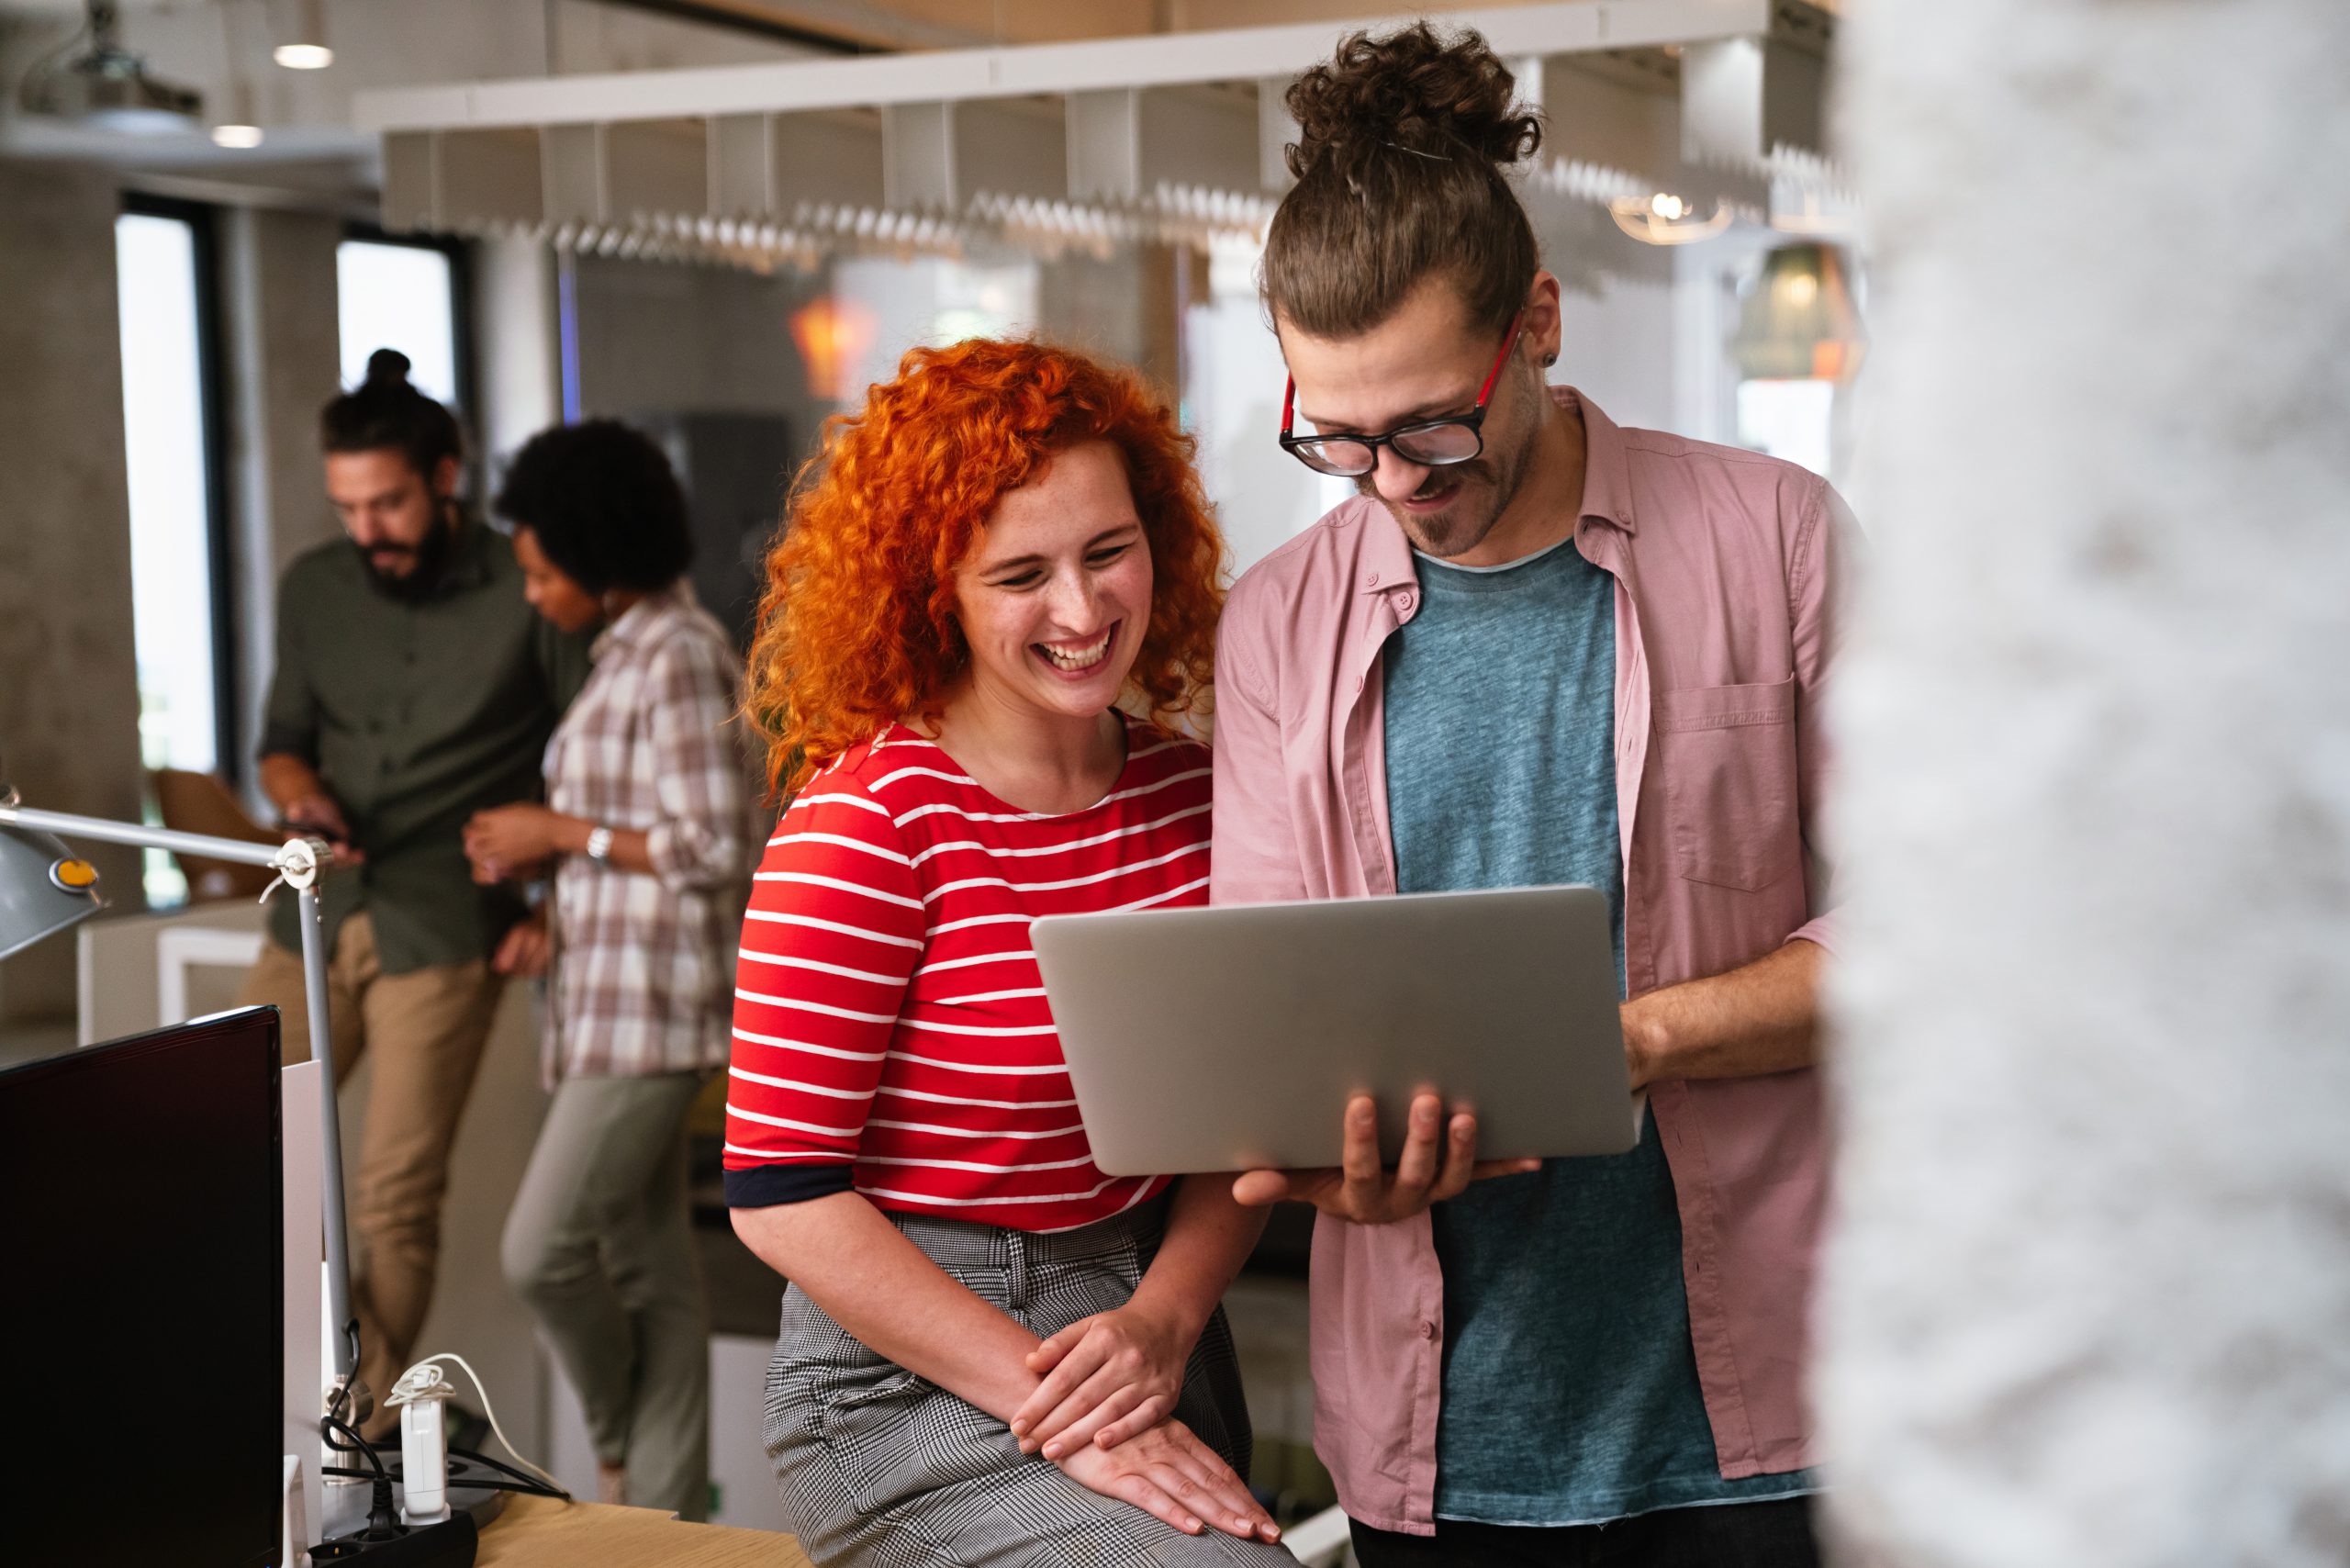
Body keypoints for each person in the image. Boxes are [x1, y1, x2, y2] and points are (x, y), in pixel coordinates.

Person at [1212, 25, 1856, 1568]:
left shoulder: (1775, 536)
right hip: (1441, 1451)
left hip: (1768, 1421)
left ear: (1542, 322)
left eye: (1433, 422)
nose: (1395, 480)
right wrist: (1325, 1160)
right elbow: (1268, 1004)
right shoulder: (1279, 624)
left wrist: (1623, 1043)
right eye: (1339, 436)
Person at [722, 339, 1288, 1567]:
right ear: (938, 595)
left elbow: (1250, 1125)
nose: (1083, 612)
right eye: (1021, 574)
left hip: (1138, 1322)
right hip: (903, 1376)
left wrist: (1164, 1319)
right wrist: (1060, 1410)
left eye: (1108, 552)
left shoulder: (1196, 797)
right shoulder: (872, 819)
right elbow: (782, 1198)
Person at [238, 349, 592, 1434]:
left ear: (445, 475)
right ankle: (359, 1413)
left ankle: (357, 1431)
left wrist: (553, 907)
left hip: (448, 920)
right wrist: (305, 803)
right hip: (313, 905)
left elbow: (590, 763)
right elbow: (281, 748)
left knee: (391, 1193)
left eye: (386, 500)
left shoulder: (529, 588)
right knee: (246, 1145)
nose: (367, 527)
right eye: (347, 505)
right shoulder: (313, 586)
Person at [461, 420, 753, 1520]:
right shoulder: (628, 653)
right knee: (652, 1277)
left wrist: (554, 832)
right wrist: (551, 906)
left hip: (656, 1027)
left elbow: (713, 847)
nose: (531, 592)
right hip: (606, 1010)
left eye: (540, 569)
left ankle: (621, 1444)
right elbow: (635, 849)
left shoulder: (676, 655)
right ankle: (657, 1515)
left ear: (595, 552)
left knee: (542, 1250)